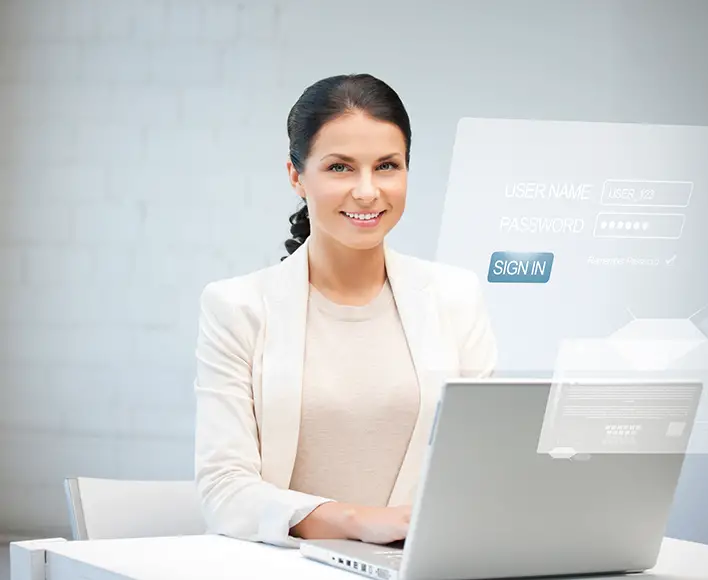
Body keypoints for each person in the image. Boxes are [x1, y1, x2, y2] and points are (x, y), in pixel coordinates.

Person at [193, 73, 497, 549]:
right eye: (339, 168)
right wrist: (359, 521)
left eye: (387, 166)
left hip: (420, 567)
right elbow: (223, 490)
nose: (367, 191)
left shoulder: (455, 297)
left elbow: (482, 465)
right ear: (297, 176)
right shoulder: (238, 307)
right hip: (288, 568)